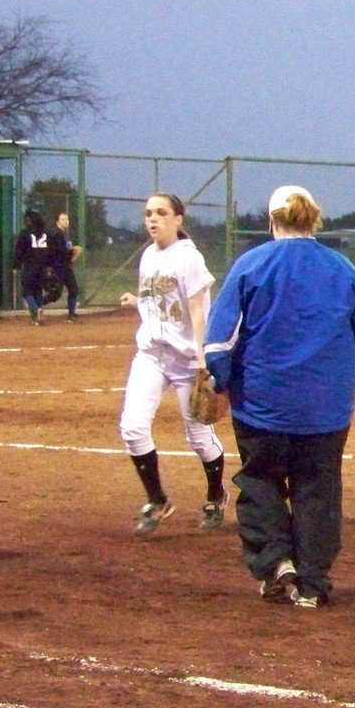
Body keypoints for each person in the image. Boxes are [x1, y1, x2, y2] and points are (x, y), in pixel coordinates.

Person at [204, 185, 355, 609]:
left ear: (273, 221)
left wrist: (220, 381)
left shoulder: (251, 265)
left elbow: (220, 340)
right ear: (313, 220)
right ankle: (312, 583)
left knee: (260, 480)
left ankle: (275, 562)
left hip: (262, 403)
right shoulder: (342, 269)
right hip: (326, 409)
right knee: (318, 488)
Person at [118, 193, 227, 535]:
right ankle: (157, 499)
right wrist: (138, 301)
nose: (153, 219)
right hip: (151, 355)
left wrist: (201, 357)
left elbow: (197, 310)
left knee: (198, 435)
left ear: (179, 219)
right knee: (132, 428)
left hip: (184, 359)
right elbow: (160, 304)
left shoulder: (189, 258)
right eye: (149, 213)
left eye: (162, 213)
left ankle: (215, 495)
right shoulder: (148, 255)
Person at [14, 208, 51, 325]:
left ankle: (36, 311)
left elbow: (19, 251)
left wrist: (16, 265)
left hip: (30, 266)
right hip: (43, 266)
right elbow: (49, 250)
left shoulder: (25, 232)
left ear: (29, 218)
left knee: (26, 291)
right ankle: (38, 316)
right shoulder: (45, 232)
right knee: (38, 291)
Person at [49, 211, 83, 322]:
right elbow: (60, 251)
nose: (66, 221)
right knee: (56, 293)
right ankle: (37, 307)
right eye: (63, 219)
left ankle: (71, 314)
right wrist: (72, 252)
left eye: (67, 219)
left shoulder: (65, 234)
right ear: (57, 222)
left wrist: (71, 253)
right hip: (58, 267)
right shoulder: (57, 233)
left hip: (66, 266)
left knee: (74, 289)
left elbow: (66, 251)